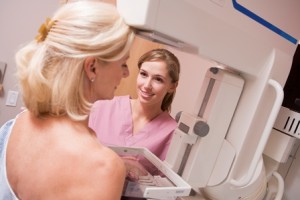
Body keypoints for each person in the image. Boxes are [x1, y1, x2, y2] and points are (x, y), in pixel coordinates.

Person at [0, 1, 135, 200]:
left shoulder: (16, 125)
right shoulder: (104, 168)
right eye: (123, 63)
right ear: (92, 67)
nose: (127, 73)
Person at [89, 48, 180, 176]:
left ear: (172, 86)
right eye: (143, 74)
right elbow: (74, 154)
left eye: (158, 79)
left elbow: (162, 186)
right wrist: (118, 164)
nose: (147, 85)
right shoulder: (102, 106)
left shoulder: (172, 132)